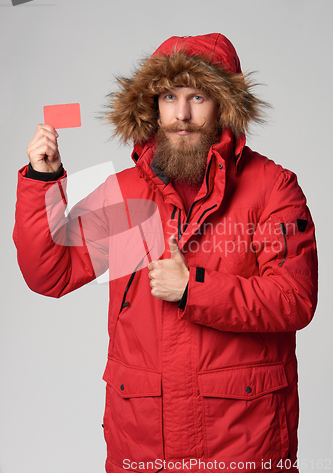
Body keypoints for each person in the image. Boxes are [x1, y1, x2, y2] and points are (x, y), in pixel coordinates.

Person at [13, 33, 318, 473]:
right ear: (151, 106)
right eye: (169, 96)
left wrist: (193, 289)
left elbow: (294, 299)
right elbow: (52, 273)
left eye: (199, 96)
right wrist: (44, 182)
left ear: (225, 106)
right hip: (142, 446)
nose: (182, 115)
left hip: (244, 445)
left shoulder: (273, 187)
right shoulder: (124, 193)